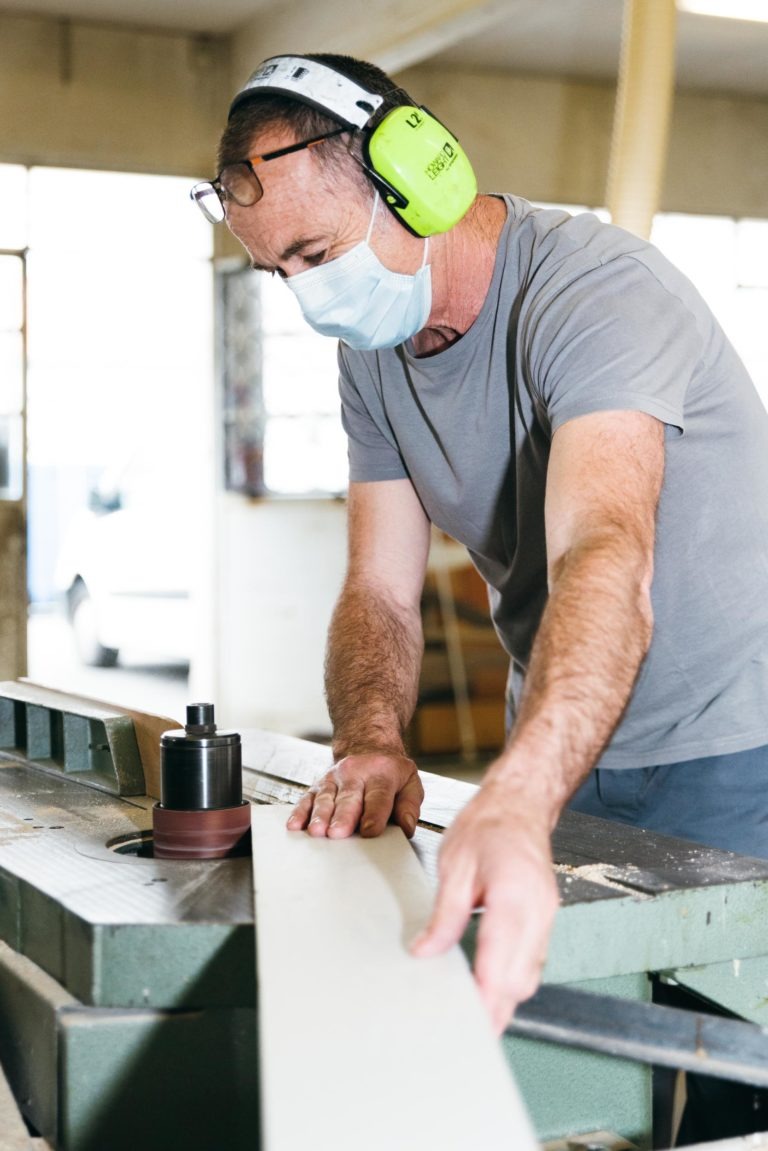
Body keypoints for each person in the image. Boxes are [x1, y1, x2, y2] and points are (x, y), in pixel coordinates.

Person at [190, 53, 768, 1053]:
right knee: (579, 1044)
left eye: (316, 253)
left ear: (423, 179)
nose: (308, 296)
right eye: (279, 268)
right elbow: (379, 586)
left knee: (725, 1060)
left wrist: (519, 792)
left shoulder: (596, 292)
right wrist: (371, 737)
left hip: (736, 743)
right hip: (568, 734)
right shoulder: (372, 353)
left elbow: (602, 550)